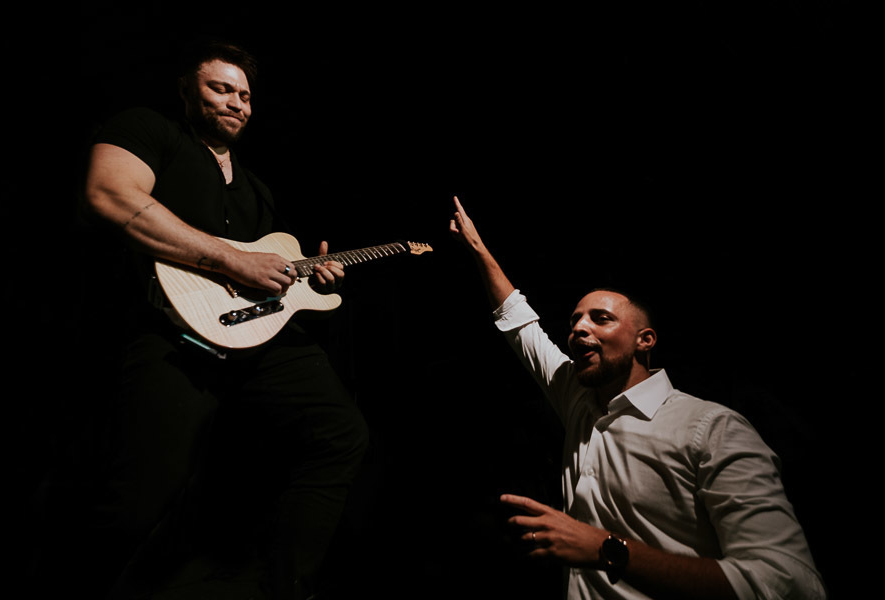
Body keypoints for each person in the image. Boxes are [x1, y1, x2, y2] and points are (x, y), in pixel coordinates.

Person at [78, 41, 369, 600]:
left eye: (246, 95)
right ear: (188, 89)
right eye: (221, 88)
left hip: (256, 339)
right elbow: (108, 193)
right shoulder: (149, 129)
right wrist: (230, 257)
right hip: (170, 333)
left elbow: (273, 269)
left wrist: (313, 277)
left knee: (341, 432)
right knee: (138, 501)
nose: (237, 102)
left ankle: (285, 590)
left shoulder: (257, 188)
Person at [448, 196, 826, 599]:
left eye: (601, 318)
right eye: (575, 319)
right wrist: (478, 249)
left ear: (644, 341)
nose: (578, 327)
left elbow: (789, 583)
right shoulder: (579, 400)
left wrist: (606, 549)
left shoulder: (711, 429)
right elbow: (520, 323)